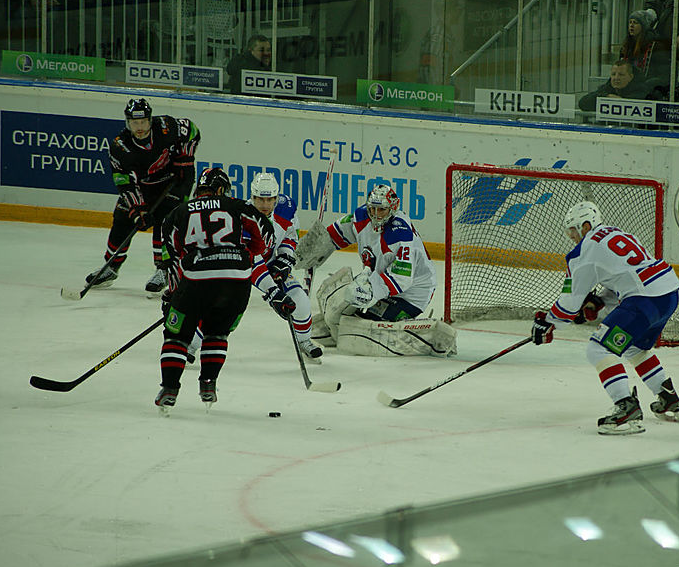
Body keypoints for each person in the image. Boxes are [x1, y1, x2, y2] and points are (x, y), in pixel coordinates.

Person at [531, 201, 679, 435]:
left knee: (598, 349)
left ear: (585, 225)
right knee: (633, 347)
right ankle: (667, 396)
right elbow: (628, 275)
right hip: (668, 295)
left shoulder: (583, 251)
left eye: (573, 230)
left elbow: (570, 304)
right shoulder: (618, 232)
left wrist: (548, 322)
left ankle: (626, 407)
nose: (572, 237)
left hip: (644, 301)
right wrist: (601, 301)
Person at [155, 168, 276, 414]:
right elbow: (266, 236)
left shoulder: (178, 212)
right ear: (221, 190)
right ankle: (208, 384)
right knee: (217, 332)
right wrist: (245, 252)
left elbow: (170, 256)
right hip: (237, 280)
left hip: (197, 280)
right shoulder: (237, 205)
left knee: (176, 335)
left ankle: (169, 388)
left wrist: (172, 294)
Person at [295, 184, 456, 357]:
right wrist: (313, 248)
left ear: (392, 209)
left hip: (412, 293)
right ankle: (339, 330)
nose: (376, 215)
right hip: (379, 279)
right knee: (337, 300)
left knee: (363, 328)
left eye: (382, 210)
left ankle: (431, 339)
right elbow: (336, 234)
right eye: (373, 209)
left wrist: (371, 292)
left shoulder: (400, 234)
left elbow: (402, 278)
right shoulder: (362, 217)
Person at [84, 98, 200, 293]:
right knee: (122, 218)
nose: (139, 127)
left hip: (175, 180)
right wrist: (138, 210)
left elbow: (192, 130)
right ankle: (111, 266)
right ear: (127, 123)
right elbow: (125, 184)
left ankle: (164, 269)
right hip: (143, 186)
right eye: (134, 123)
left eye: (143, 122)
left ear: (150, 119)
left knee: (166, 220)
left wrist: (184, 159)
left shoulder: (165, 127)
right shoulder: (120, 147)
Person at [247, 173, 323, 362]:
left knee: (301, 302)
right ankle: (192, 344)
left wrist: (284, 258)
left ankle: (304, 340)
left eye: (270, 199)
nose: (265, 204)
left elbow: (290, 235)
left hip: (270, 260)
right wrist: (272, 292)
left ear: (276, 197)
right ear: (252, 197)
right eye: (260, 199)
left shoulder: (286, 207)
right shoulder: (243, 216)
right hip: (243, 266)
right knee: (223, 306)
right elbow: (252, 261)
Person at [578, 60, 654, 115]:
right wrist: (606, 97)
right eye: (613, 74)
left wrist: (619, 101)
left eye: (621, 74)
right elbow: (583, 103)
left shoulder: (642, 91)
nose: (616, 78)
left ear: (631, 77)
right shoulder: (607, 88)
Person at [620, 9, 670, 90]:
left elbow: (663, 76)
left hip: (647, 90)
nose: (631, 25)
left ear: (643, 27)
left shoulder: (655, 46)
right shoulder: (626, 46)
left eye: (635, 23)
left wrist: (644, 86)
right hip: (628, 87)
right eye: (630, 22)